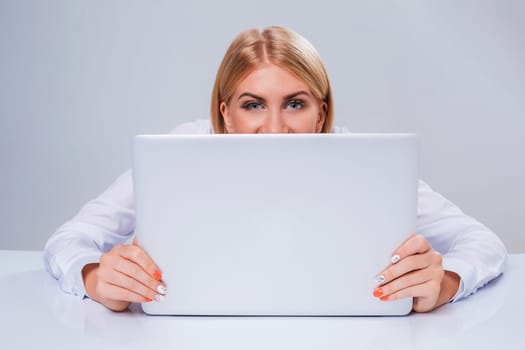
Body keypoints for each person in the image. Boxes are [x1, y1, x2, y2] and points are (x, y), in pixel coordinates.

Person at [44, 26, 507, 313]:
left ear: (321, 114)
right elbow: (70, 239)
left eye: (294, 104)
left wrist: (446, 283)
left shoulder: (361, 162)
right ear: (225, 114)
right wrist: (93, 277)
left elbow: (483, 242)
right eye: (252, 105)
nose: (274, 128)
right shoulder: (180, 151)